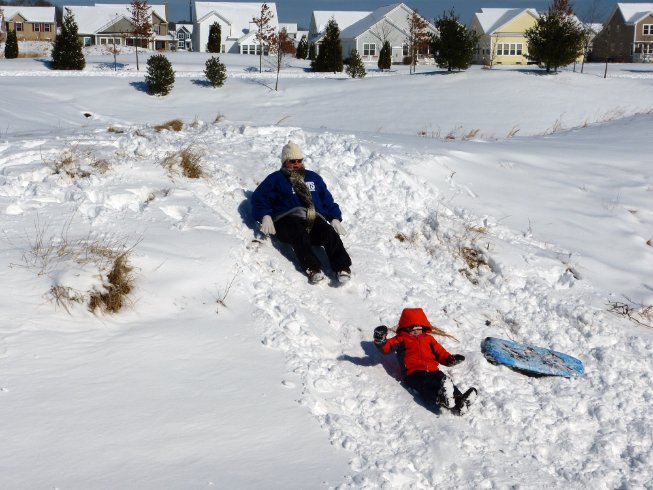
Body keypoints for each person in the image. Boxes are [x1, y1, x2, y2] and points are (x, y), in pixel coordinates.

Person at [251, 141, 353, 284]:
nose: (296, 164)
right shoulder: (276, 179)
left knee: (329, 232)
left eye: (299, 161)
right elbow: (259, 198)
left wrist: (334, 217)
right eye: (292, 161)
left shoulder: (313, 178)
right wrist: (265, 215)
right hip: (286, 220)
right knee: (298, 232)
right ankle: (312, 268)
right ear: (285, 162)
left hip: (312, 219)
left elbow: (326, 199)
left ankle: (342, 267)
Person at [373, 307, 477, 415]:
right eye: (413, 328)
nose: (416, 331)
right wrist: (380, 340)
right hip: (413, 373)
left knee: (445, 381)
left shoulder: (429, 339)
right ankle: (440, 398)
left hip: (433, 370)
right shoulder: (401, 339)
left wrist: (450, 359)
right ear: (406, 328)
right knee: (426, 384)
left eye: (419, 328)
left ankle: (460, 401)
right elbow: (387, 347)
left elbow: (440, 353)